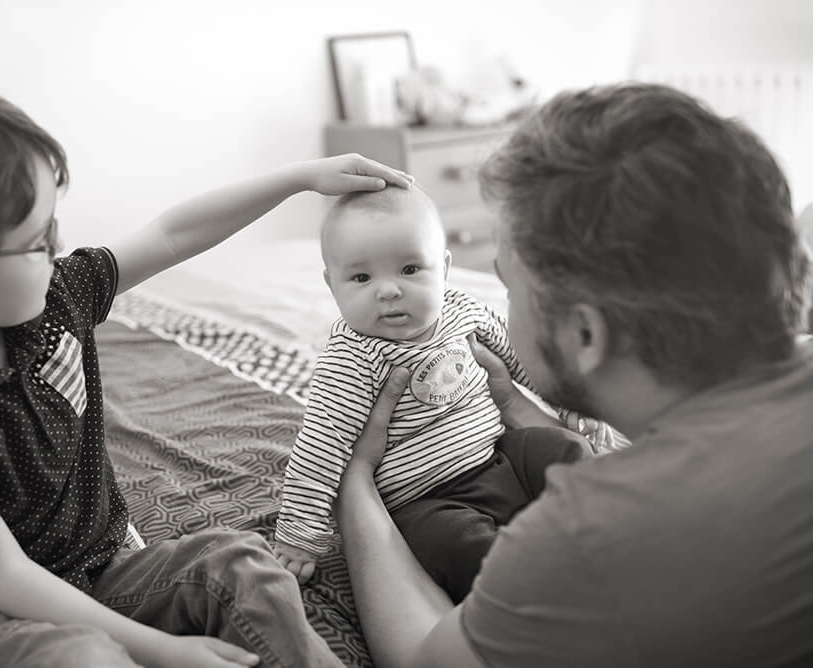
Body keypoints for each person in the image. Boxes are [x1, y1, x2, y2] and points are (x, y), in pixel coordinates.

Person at [0, 73, 413, 668]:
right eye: (35, 238)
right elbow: (9, 581)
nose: (58, 245)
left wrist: (300, 178)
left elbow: (172, 234)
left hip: (96, 571)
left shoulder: (55, 298)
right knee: (82, 657)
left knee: (243, 569)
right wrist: (165, 651)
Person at [334, 83, 813, 668]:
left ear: (585, 335)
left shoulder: (583, 540)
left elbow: (423, 659)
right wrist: (515, 409)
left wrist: (356, 485)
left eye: (506, 286)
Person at [272, 185, 593, 601]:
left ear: (443, 268)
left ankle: (596, 527)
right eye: (361, 277)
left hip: (501, 457)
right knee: (455, 546)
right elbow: (320, 446)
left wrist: (570, 403)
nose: (387, 291)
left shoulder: (462, 310)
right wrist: (300, 536)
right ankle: (535, 586)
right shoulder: (352, 359)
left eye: (409, 269)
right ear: (331, 285)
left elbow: (520, 359)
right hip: (428, 500)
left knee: (569, 450)